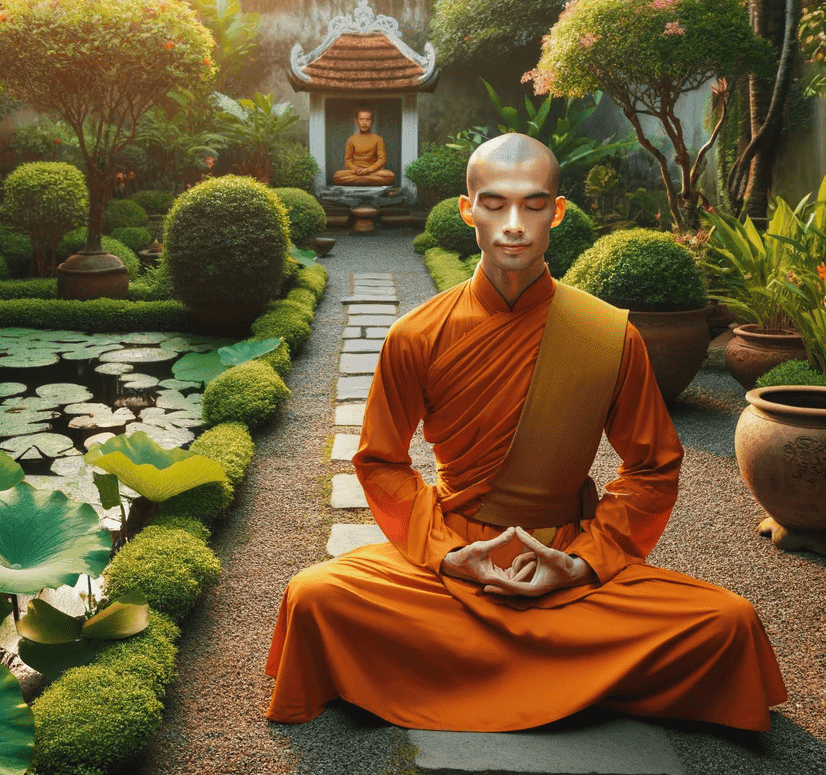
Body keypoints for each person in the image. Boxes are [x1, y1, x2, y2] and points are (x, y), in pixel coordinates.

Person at [265, 132, 786, 732]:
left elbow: (652, 468)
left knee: (729, 622)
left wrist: (583, 563)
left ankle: (472, 665)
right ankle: (577, 670)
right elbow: (382, 462)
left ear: (556, 212)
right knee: (314, 597)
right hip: (456, 565)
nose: (514, 224)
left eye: (533, 205)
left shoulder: (607, 333)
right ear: (468, 210)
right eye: (494, 204)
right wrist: (450, 555)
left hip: (563, 563)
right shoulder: (417, 335)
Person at [332, 107, 395, 186]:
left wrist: (368, 170)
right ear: (356, 121)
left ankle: (360, 180)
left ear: (372, 121)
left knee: (390, 175)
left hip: (372, 172)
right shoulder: (352, 139)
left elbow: (382, 160)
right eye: (361, 119)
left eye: (368, 119)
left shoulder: (378, 139)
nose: (364, 123)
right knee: (337, 175)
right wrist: (357, 170)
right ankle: (367, 180)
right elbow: (347, 160)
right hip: (356, 172)